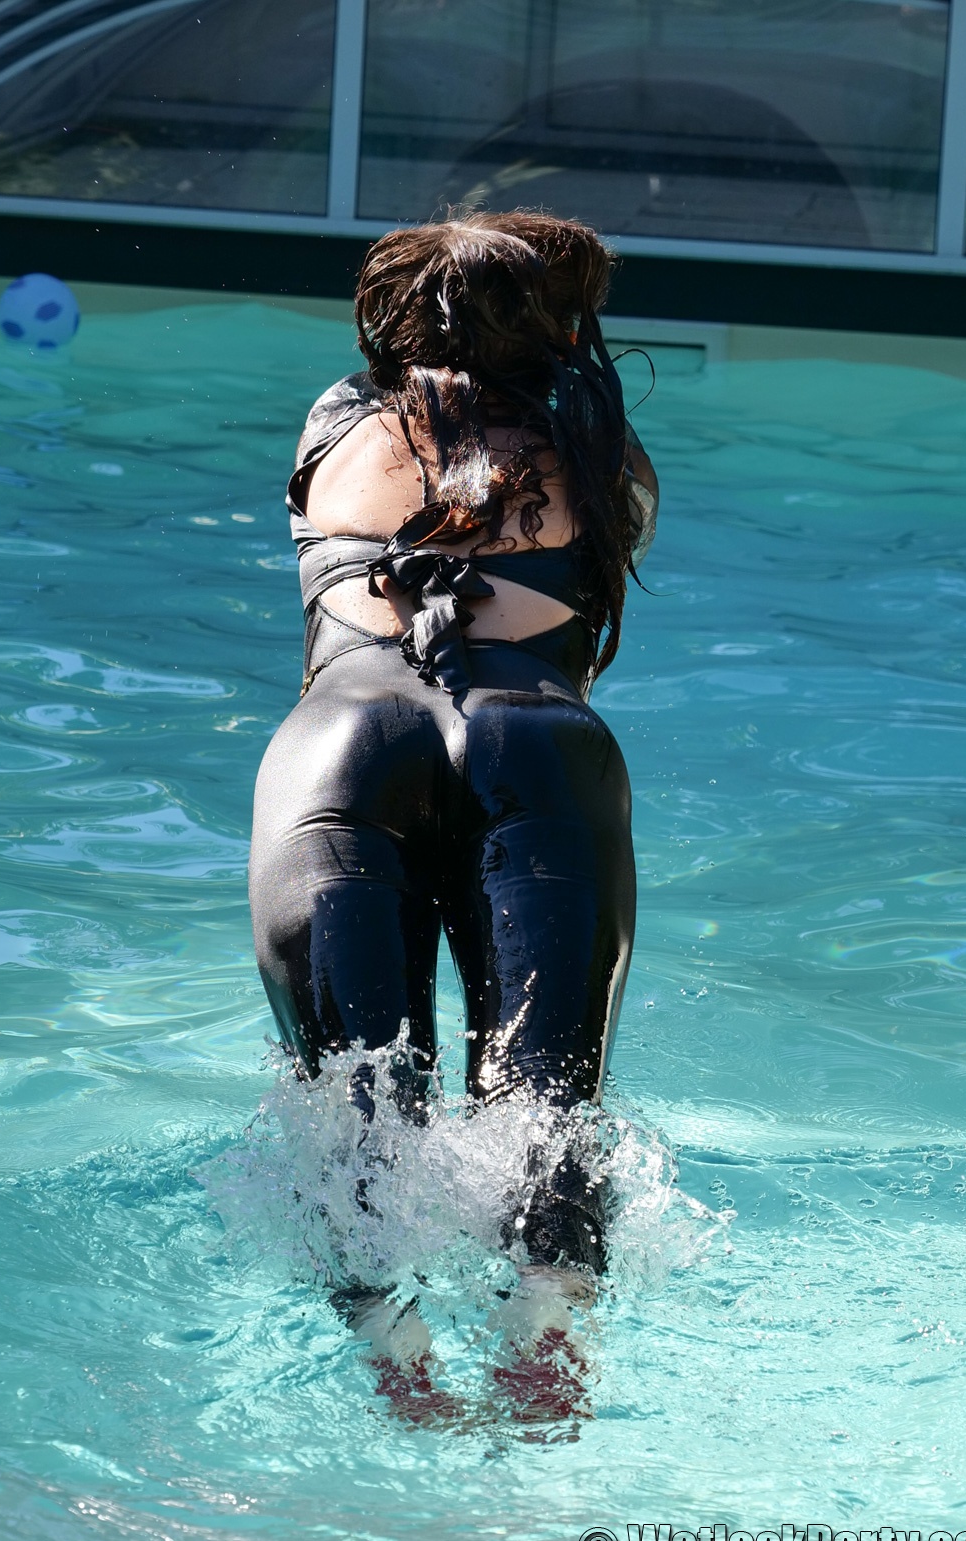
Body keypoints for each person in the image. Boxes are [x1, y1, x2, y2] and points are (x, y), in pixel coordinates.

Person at [248, 211, 657, 1425]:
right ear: (555, 331)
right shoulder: (598, 451)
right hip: (541, 745)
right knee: (547, 1107)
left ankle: (401, 1362)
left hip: (342, 749)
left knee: (357, 1114)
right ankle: (540, 1342)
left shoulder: (335, 430)